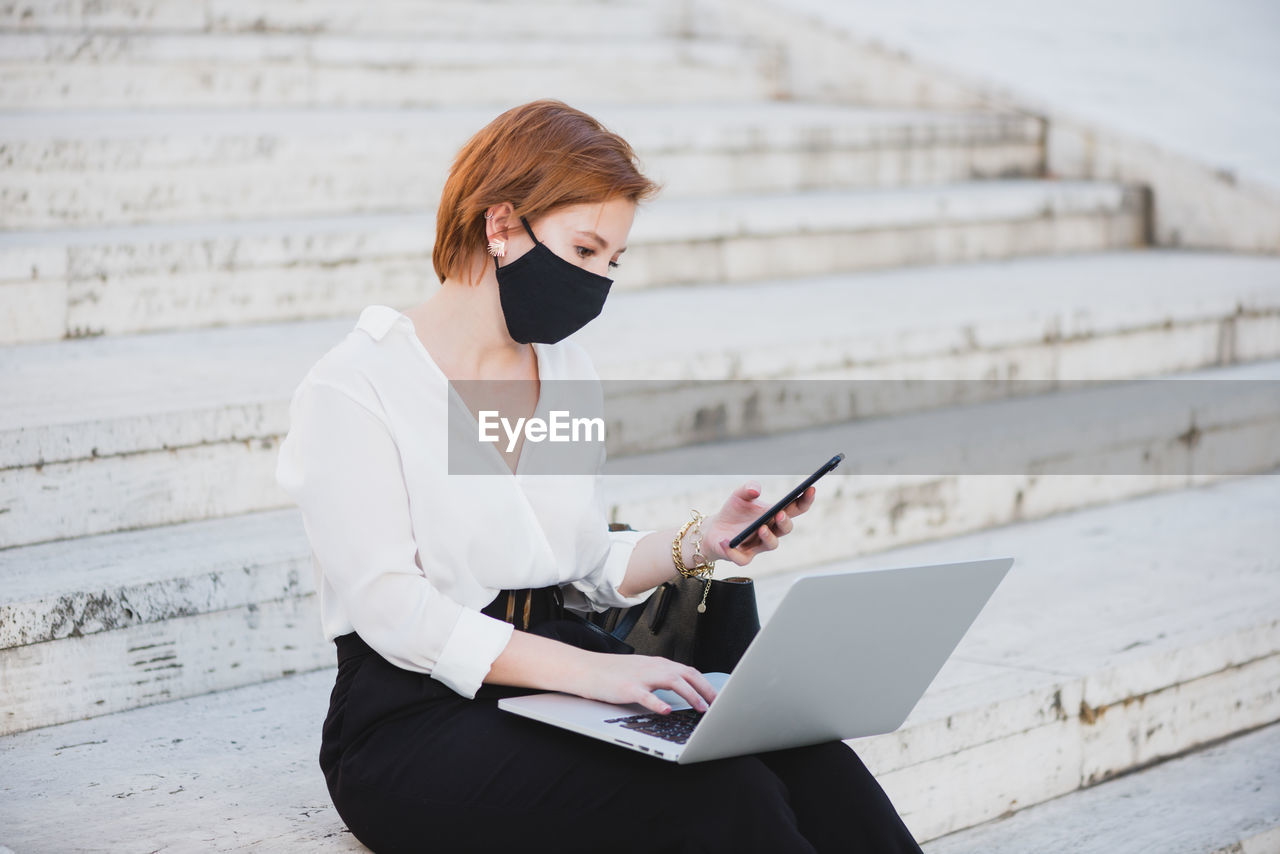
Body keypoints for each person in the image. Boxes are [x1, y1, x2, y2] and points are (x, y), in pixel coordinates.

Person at [275, 99, 924, 854]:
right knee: (718, 792)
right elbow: (395, 614)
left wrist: (703, 542)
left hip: (561, 669)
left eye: (612, 260)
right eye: (584, 250)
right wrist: (593, 674)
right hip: (411, 717)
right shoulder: (355, 386)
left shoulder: (566, 370)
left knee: (808, 757)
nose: (597, 281)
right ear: (502, 225)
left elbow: (580, 565)